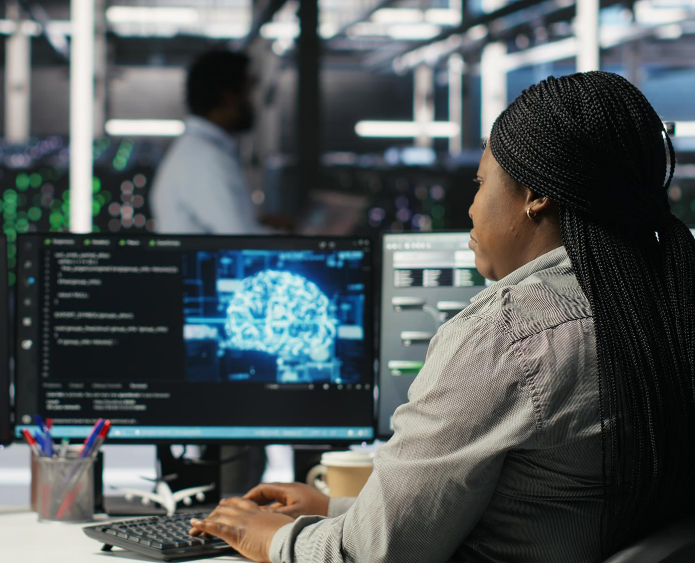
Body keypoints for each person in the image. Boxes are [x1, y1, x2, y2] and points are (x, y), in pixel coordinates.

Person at [188, 71, 695, 562]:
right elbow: (543, 510)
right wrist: (339, 509)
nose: (471, 209)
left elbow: (370, 557)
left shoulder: (507, 339)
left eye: (481, 184)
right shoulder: (664, 309)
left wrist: (274, 539)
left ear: (536, 196)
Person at [150, 49, 269, 235]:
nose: (253, 103)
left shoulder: (197, 151)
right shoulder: (206, 158)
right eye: (247, 92)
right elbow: (240, 241)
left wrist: (260, 223)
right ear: (228, 97)